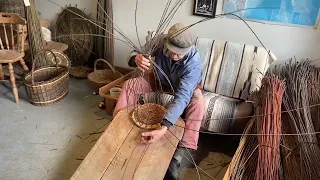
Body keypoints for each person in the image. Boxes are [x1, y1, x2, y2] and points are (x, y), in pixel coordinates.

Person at [114, 23, 205, 179]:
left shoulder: (193, 63)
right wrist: (136, 58)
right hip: (159, 81)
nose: (175, 56)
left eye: (180, 54)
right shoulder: (160, 40)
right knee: (131, 84)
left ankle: (178, 156)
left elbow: (183, 96)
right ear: (167, 42)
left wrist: (164, 128)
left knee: (198, 103)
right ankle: (117, 127)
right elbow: (136, 52)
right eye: (173, 51)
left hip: (182, 89)